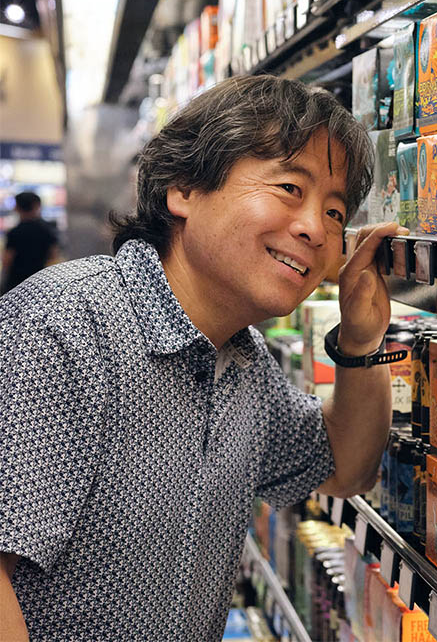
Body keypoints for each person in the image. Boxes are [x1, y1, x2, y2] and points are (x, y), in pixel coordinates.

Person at [0, 75, 407, 640]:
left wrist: (362, 343)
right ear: (184, 189)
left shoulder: (244, 361)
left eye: (336, 212)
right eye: (291, 187)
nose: (316, 228)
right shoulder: (69, 325)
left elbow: (344, 467)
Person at [0, 191, 59, 295]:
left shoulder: (15, 232)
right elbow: (53, 256)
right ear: (37, 205)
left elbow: (7, 260)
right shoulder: (48, 230)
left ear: (17, 208)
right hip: (40, 280)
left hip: (16, 282)